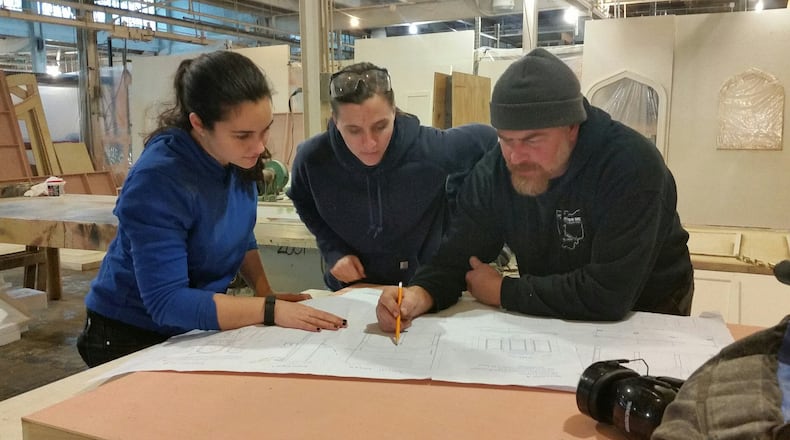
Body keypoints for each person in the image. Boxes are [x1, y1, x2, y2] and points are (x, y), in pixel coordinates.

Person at [376, 48, 694, 332]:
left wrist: (504, 291)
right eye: (506, 139)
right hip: (553, 313)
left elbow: (608, 294)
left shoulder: (630, 166)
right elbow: (456, 259)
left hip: (648, 313)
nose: (515, 157)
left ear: (572, 127)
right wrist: (418, 295)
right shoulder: (495, 172)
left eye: (532, 140)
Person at [77, 51, 346, 368]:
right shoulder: (159, 180)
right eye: (243, 135)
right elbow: (167, 301)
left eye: (264, 130)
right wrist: (268, 311)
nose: (259, 147)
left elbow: (240, 234)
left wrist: (265, 292)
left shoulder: (236, 158)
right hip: (129, 334)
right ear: (199, 123)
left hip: (189, 328)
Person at [287, 62, 498, 291]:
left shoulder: (429, 148)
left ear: (394, 112)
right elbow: (302, 199)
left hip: (422, 289)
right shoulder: (312, 159)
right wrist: (333, 250)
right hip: (355, 292)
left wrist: (456, 209)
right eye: (354, 130)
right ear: (335, 121)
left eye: (381, 126)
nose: (369, 144)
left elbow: (487, 140)